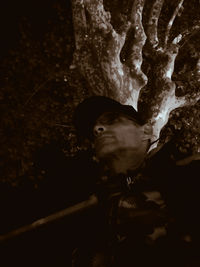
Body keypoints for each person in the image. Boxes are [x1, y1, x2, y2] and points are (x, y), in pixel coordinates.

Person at [72, 96, 200, 267]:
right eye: (92, 129)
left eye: (112, 120)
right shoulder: (90, 212)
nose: (97, 128)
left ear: (146, 131)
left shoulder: (189, 172)